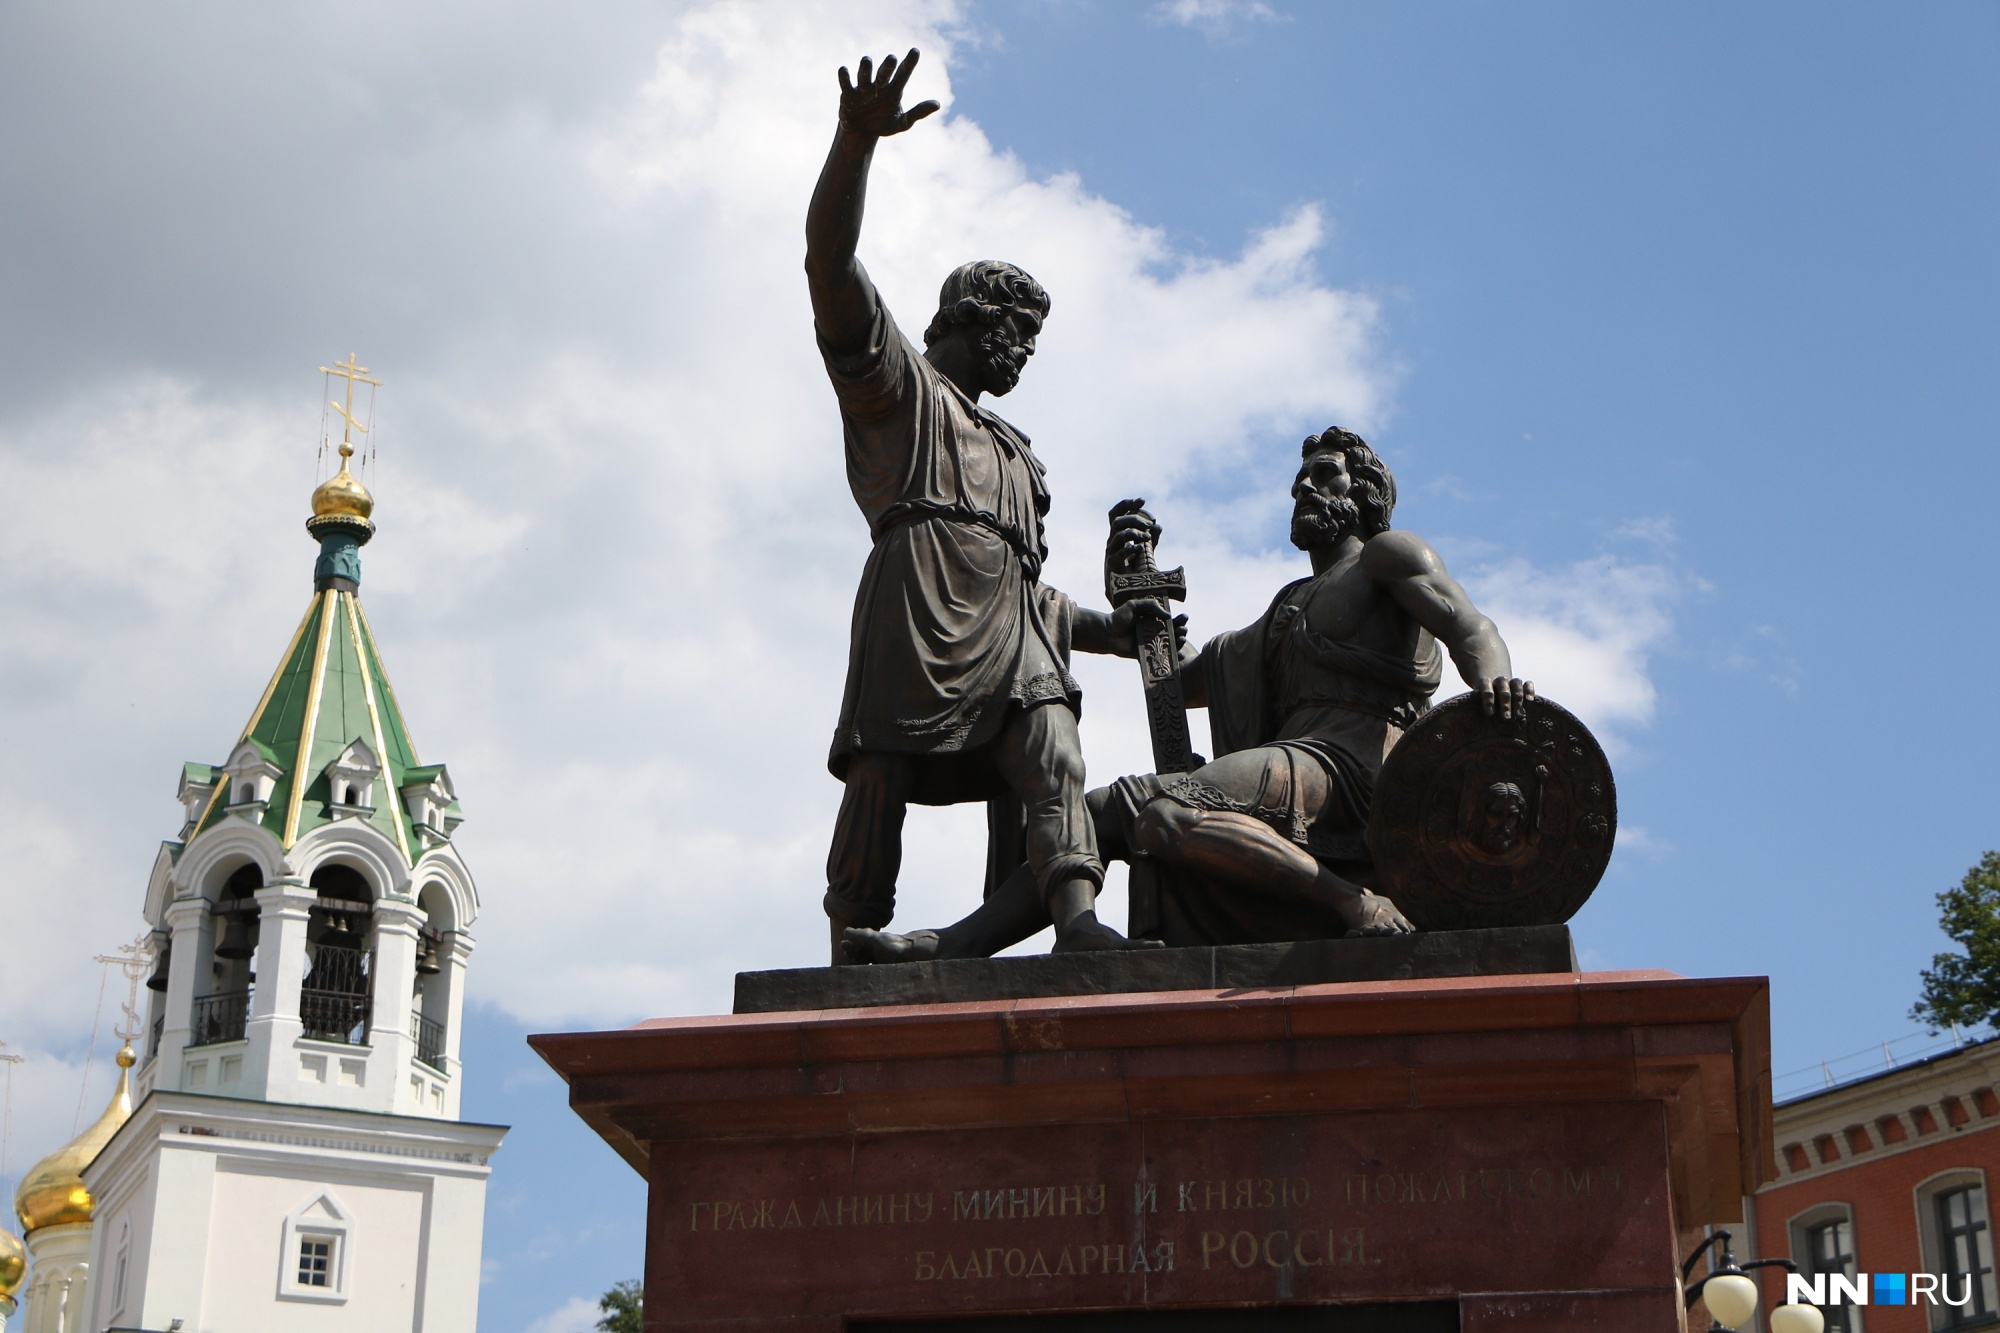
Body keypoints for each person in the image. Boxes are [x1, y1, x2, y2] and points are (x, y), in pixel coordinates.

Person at [843, 427, 1535, 960]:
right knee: (1096, 811)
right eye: (1298, 479)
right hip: (1292, 761)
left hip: (1353, 772)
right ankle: (959, 947)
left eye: (1325, 476)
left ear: (1366, 492)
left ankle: (1354, 901)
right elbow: (1185, 679)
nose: (1304, 489)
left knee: (1165, 810)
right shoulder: (1282, 612)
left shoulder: (1390, 556)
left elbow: (1469, 625)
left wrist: (1495, 680)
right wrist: (1135, 603)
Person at [805, 50, 1159, 962]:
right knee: (882, 771)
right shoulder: (901, 390)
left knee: (1054, 748)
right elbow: (829, 266)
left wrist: (1114, 630)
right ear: (964, 317)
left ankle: (1075, 921)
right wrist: (855, 144)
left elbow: (1029, 595)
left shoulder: (1019, 456)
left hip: (1010, 639)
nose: (1025, 353)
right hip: (916, 607)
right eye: (1015, 332)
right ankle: (855, 935)